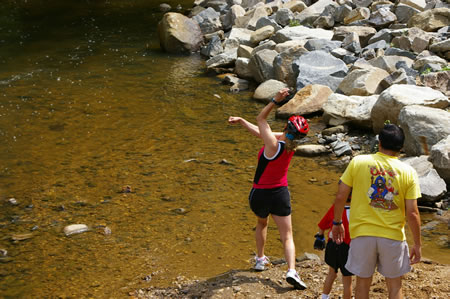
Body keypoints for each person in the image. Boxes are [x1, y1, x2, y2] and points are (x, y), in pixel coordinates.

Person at [228, 88, 308, 290]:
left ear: (285, 126)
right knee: (287, 235)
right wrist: (242, 122)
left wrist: (275, 101)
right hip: (280, 194)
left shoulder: (272, 144)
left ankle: (260, 259)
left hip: (260, 194)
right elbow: (261, 131)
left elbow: (261, 120)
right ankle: (291, 270)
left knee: (262, 223)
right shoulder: (290, 145)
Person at [331, 124, 422, 299]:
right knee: (395, 286)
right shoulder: (408, 172)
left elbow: (341, 196)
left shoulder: (358, 162)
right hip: (393, 236)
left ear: (379, 143)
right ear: (401, 147)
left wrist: (337, 222)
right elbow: (412, 213)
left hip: (362, 234)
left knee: (363, 283)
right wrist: (417, 244)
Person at [314, 185, 353, 299]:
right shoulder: (357, 210)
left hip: (333, 245)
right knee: (347, 280)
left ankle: (324, 297)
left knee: (331, 274)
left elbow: (322, 225)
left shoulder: (335, 208)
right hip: (347, 248)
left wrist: (320, 237)